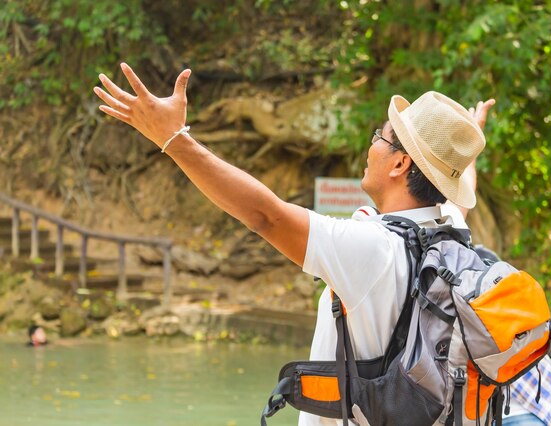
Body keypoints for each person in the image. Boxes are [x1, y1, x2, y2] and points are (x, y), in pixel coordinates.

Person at [93, 64, 493, 425]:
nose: (370, 145)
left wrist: (173, 139)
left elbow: (267, 215)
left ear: (400, 164)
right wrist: (461, 146)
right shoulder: (450, 232)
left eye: (380, 137)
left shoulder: (371, 249)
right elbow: (461, 192)